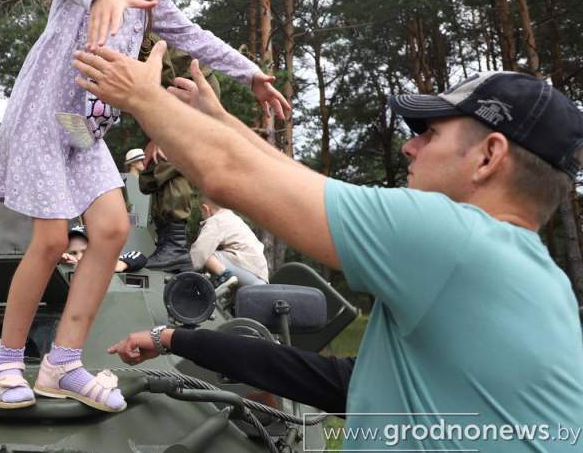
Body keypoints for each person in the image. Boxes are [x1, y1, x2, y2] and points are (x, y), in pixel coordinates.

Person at [79, 48, 583, 448]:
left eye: (428, 133)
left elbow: (226, 176)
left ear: (488, 156)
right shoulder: (529, 277)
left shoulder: (456, 239)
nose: (409, 147)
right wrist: (175, 339)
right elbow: (347, 383)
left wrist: (143, 98)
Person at [0, 0, 290, 412]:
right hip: (44, 115)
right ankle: (5, 361)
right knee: (52, 241)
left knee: (111, 230)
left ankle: (63, 363)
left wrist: (250, 71)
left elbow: (190, 34)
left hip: (84, 128)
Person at [138, 38, 223, 271]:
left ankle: (175, 246)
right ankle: (169, 242)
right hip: (172, 97)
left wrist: (160, 134)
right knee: (157, 169)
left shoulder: (141, 31)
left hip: (191, 91)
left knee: (169, 161)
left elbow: (167, 78)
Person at [191, 193, 268, 289]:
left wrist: (186, 270)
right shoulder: (232, 218)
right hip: (259, 276)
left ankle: (225, 276)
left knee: (206, 254)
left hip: (246, 269)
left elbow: (199, 251)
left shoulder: (216, 220)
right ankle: (226, 291)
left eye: (201, 212)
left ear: (206, 209)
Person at [61, 224, 148, 273]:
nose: (79, 257)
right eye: (73, 253)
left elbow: (138, 256)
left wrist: (121, 264)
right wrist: (59, 261)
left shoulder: (105, 262)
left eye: (85, 251)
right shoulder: (63, 261)